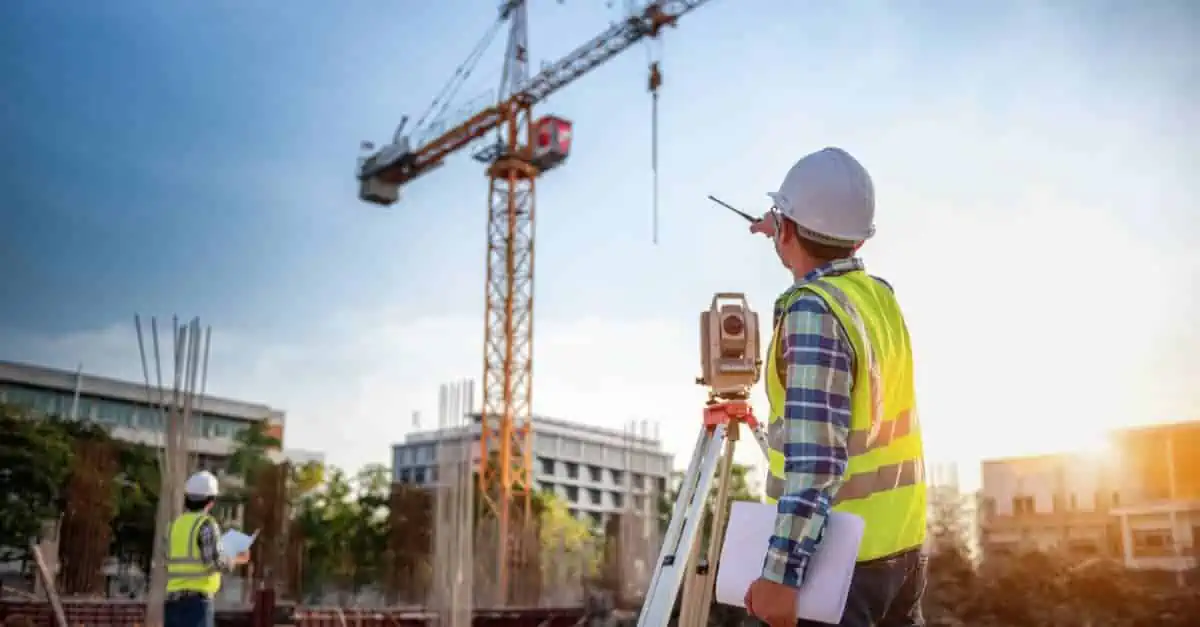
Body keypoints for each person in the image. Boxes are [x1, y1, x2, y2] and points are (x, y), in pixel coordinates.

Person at [743, 147, 928, 627]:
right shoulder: (878, 298)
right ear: (857, 242)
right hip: (900, 553)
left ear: (786, 230)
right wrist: (783, 228)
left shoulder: (813, 310)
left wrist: (780, 576)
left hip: (838, 569)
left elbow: (817, 460)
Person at [164, 470, 249, 627]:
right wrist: (236, 559)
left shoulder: (174, 526)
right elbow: (214, 563)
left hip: (172, 604)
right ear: (211, 501)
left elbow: (167, 560)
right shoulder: (206, 524)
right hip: (196, 605)